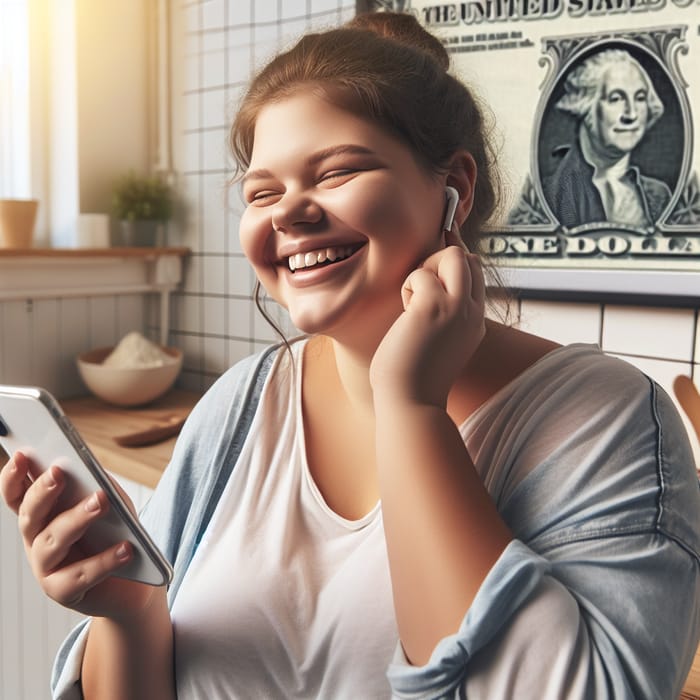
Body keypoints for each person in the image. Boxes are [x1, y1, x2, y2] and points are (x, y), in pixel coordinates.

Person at [1, 12, 699, 700]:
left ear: (454, 188)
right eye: (263, 192)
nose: (287, 213)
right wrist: (129, 609)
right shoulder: (239, 405)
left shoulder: (609, 421)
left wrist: (410, 408)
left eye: (336, 173)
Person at [543, 48, 672, 230]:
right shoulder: (552, 194)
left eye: (640, 98)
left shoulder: (659, 196)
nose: (631, 114)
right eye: (616, 98)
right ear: (585, 106)